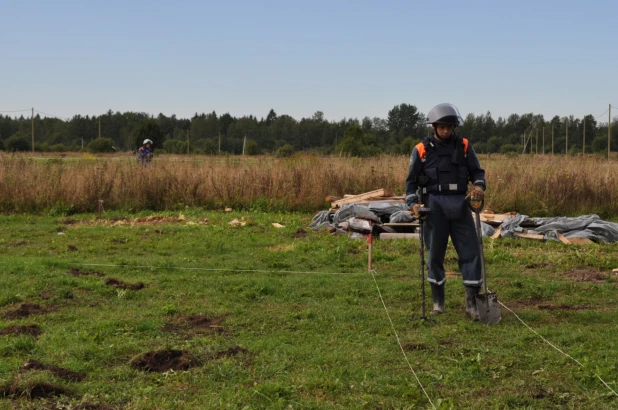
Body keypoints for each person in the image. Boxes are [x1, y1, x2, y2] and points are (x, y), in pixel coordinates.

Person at [405, 103, 486, 320]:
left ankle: (472, 304)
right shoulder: (421, 150)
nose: (446, 131)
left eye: (450, 127)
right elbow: (411, 182)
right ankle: (438, 304)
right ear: (434, 126)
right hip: (433, 207)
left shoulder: (465, 145)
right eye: (442, 127)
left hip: (461, 204)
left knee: (470, 253)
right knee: (434, 256)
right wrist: (413, 204)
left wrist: (478, 187)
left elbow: (477, 171)